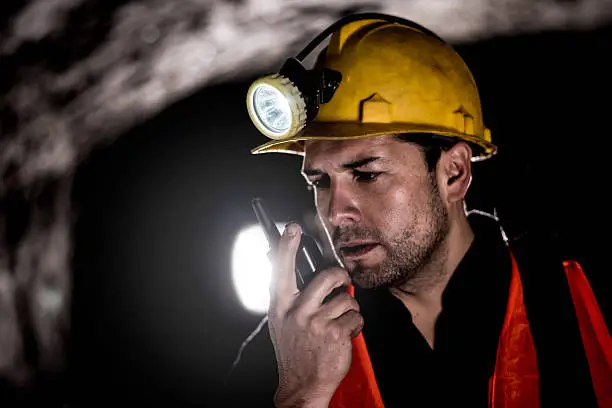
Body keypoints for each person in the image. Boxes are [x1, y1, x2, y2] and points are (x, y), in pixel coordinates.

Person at [225, 13, 612, 408]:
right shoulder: (285, 353)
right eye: (320, 182)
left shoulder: (585, 297)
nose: (336, 212)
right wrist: (301, 395)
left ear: (453, 173)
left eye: (367, 174)